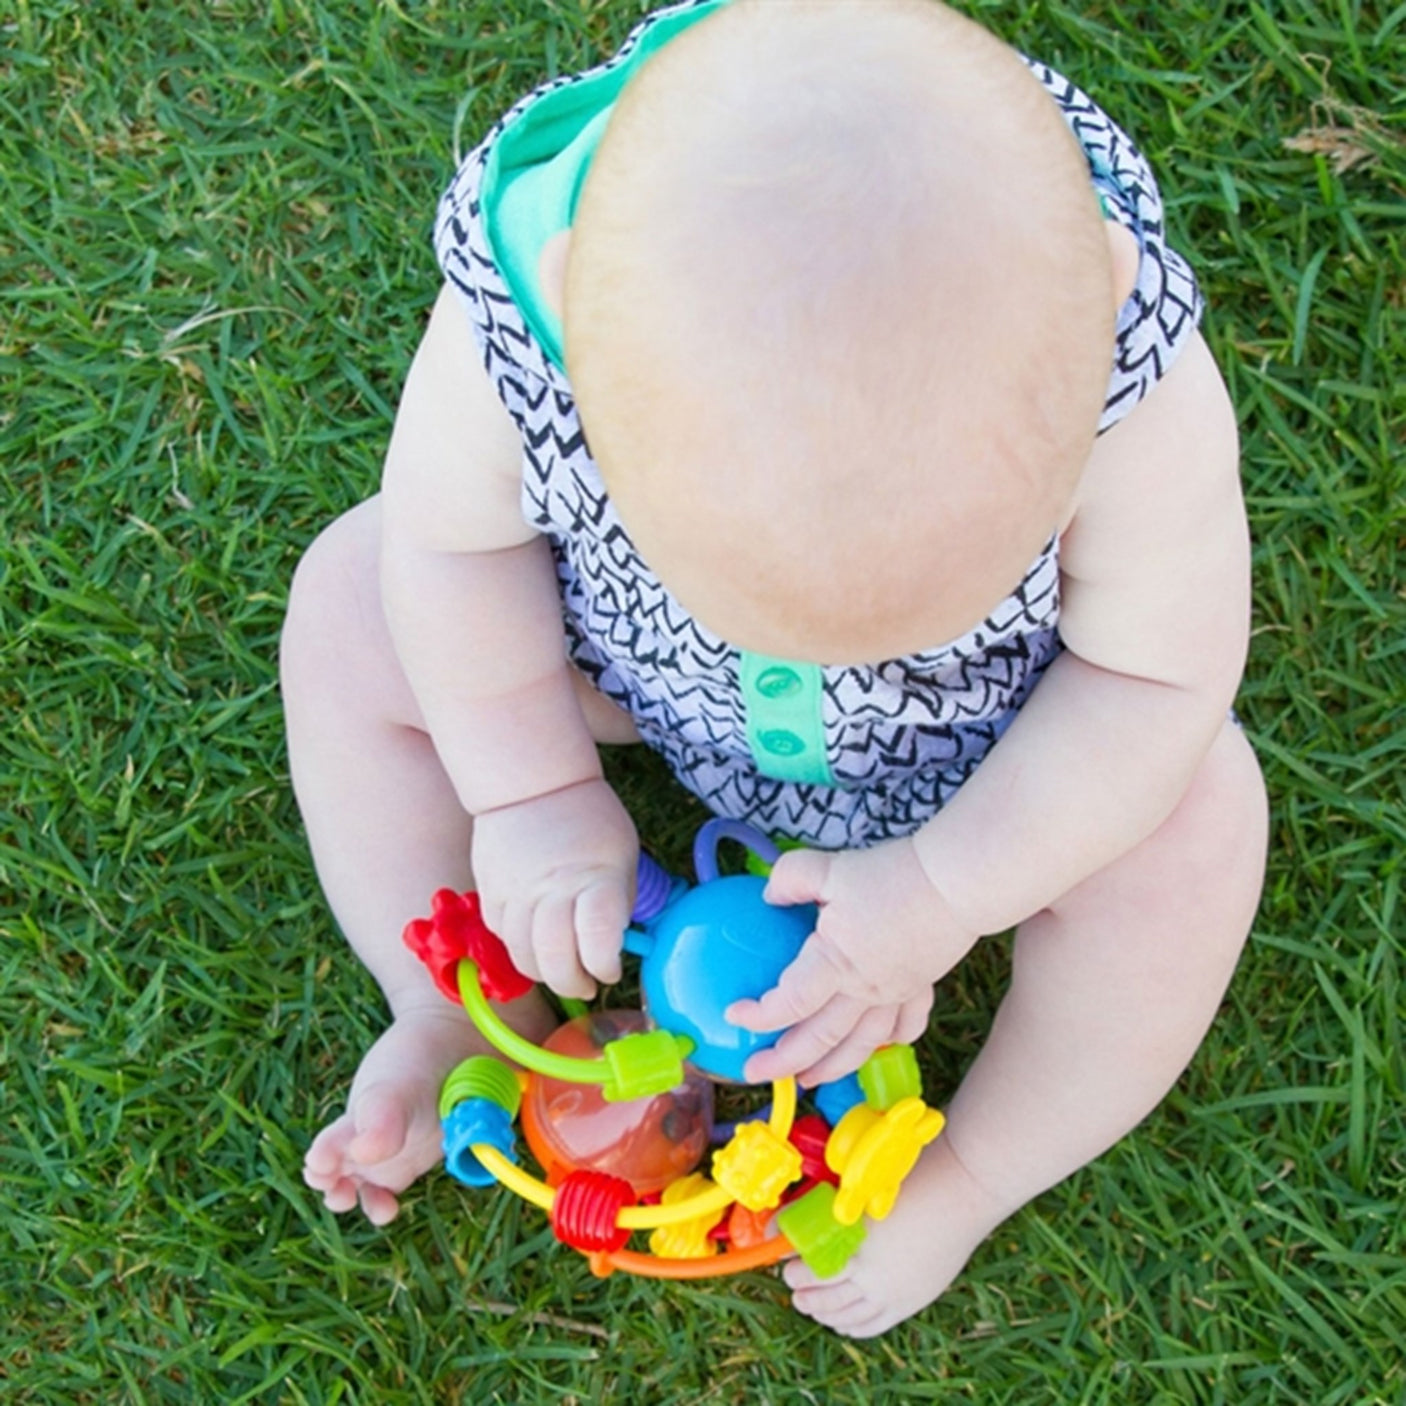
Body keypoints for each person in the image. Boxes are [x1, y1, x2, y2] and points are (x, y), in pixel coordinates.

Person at [284, 0, 1267, 1337]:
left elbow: (1155, 681)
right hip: (641, 675)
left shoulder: (1120, 379)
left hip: (986, 736)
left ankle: (967, 1171)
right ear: (576, 314)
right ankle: (454, 1007)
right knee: (356, 590)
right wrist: (523, 792)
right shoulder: (528, 327)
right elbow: (454, 550)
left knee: (1197, 817)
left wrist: (940, 880)